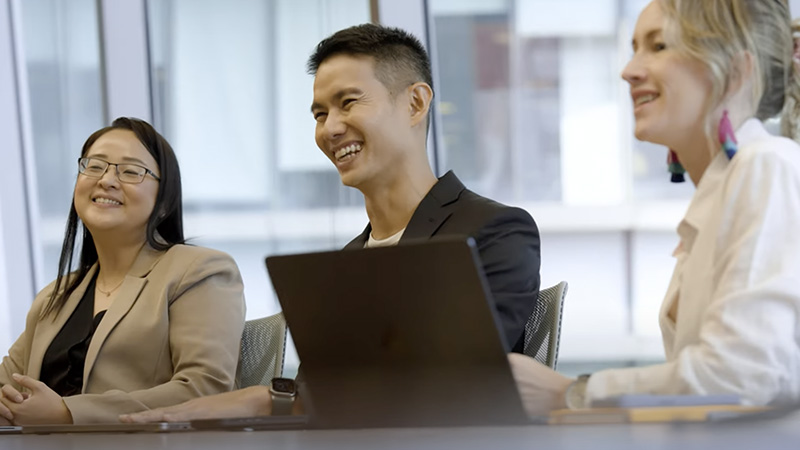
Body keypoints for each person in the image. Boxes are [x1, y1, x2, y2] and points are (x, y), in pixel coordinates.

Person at [121, 23, 541, 423]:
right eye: (320, 114)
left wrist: (271, 399)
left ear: (415, 103)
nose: (330, 129)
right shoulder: (346, 262)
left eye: (348, 102)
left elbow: (457, 379)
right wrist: (258, 402)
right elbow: (320, 393)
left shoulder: (494, 230)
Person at [508, 0, 800, 416]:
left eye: (659, 46)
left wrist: (574, 393)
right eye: (634, 47)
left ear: (735, 72)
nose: (629, 70)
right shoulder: (723, 193)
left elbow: (740, 376)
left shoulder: (766, 165)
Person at [0, 118, 246, 425]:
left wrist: (67, 414)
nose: (107, 180)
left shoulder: (197, 271)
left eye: (130, 171)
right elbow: (6, 385)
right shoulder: (57, 295)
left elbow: (205, 389)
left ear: (165, 201)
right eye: (95, 166)